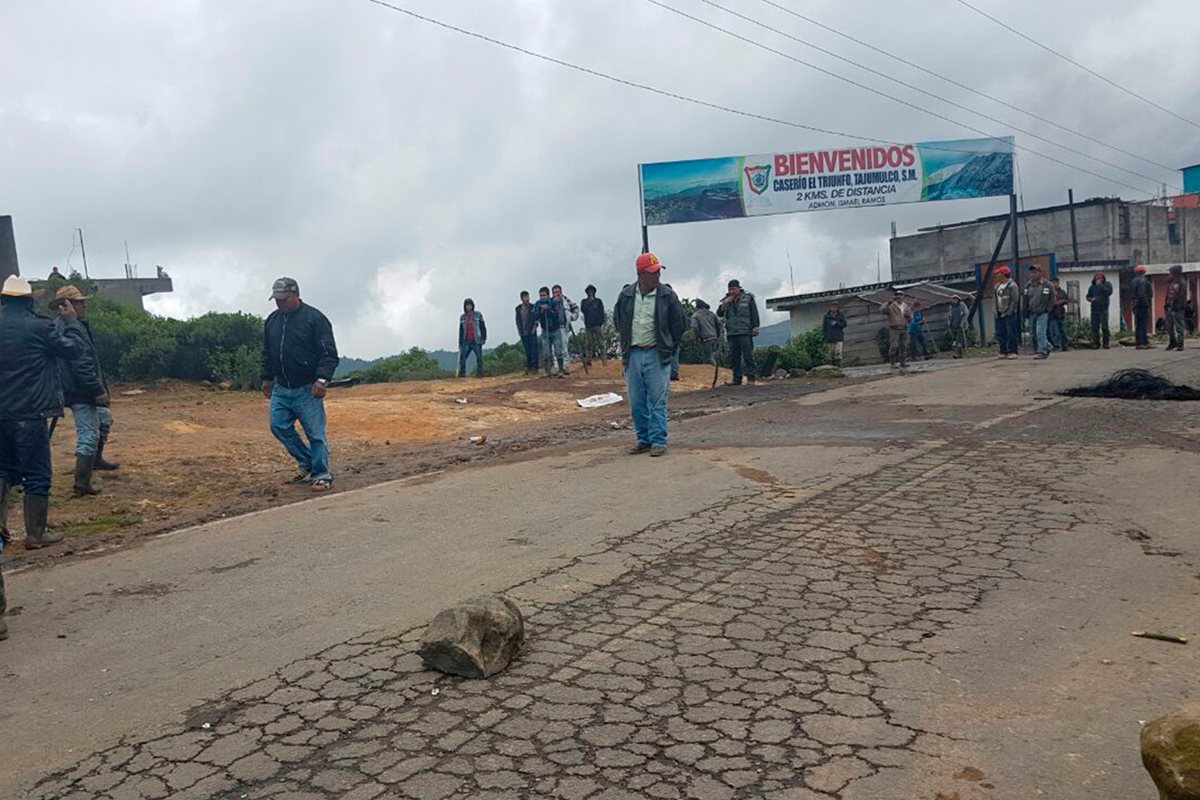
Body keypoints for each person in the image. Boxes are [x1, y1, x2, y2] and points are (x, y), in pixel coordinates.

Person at [0, 276, 92, 557]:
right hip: (31, 411)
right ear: (29, 301)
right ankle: (36, 533)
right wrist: (71, 322)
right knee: (36, 473)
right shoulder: (39, 327)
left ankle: (2, 529)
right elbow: (74, 350)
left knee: (3, 471)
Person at [260, 277, 340, 493]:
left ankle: (322, 474)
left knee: (315, 434)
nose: (279, 303)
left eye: (284, 299)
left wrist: (322, 380)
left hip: (307, 388)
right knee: (278, 426)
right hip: (282, 388)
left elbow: (329, 354)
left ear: (296, 295)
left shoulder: (315, 319)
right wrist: (266, 378)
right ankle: (307, 462)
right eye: (277, 299)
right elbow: (267, 352)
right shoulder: (272, 321)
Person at [612, 252, 684, 457]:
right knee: (636, 401)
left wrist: (669, 347)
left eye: (658, 272)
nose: (657, 276)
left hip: (656, 353)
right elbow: (618, 321)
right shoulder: (626, 296)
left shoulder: (668, 296)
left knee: (657, 399)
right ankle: (643, 439)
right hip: (633, 353)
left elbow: (678, 325)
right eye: (652, 273)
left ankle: (658, 440)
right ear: (640, 274)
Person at [50, 286, 117, 498]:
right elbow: (81, 363)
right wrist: (96, 389)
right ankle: (81, 484)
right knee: (88, 433)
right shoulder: (71, 327)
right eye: (79, 302)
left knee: (104, 418)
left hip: (74, 387)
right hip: (80, 389)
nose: (84, 305)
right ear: (68, 305)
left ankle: (95, 460)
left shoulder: (64, 325)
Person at [717, 279, 760, 386]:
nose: (731, 291)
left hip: (745, 331)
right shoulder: (726, 300)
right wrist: (725, 303)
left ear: (739, 288)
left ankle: (751, 378)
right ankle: (737, 379)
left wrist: (755, 327)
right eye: (730, 289)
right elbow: (719, 313)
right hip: (732, 332)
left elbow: (754, 313)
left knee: (748, 356)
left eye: (733, 289)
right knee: (734, 357)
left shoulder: (748, 298)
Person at [534, 286, 567, 377]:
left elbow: (557, 314)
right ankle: (548, 371)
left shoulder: (554, 302)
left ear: (548, 295)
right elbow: (535, 316)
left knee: (558, 351)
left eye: (544, 295)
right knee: (546, 352)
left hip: (555, 330)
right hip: (545, 331)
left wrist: (549, 309)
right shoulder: (537, 304)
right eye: (540, 295)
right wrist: (540, 311)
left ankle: (561, 370)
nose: (542, 297)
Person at [1025, 265, 1055, 360]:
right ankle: (1048, 346)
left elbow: (1052, 298)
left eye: (1035, 272)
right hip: (1032, 312)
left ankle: (1042, 351)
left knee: (1040, 332)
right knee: (1033, 333)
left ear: (1040, 273)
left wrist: (1048, 309)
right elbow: (1025, 299)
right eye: (1031, 272)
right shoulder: (1028, 285)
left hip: (1043, 313)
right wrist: (1024, 311)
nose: (1033, 274)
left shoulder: (1047, 285)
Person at [993, 266, 1021, 359]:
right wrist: (995, 310)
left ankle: (1012, 351)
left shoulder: (1012, 285)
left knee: (1011, 332)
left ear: (1003, 274)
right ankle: (1003, 351)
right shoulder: (997, 286)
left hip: (1009, 313)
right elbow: (994, 299)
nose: (997, 276)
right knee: (1001, 333)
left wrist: (1010, 311)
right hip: (999, 312)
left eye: (999, 274)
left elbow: (1014, 300)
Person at [690, 299, 723, 374]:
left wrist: (698, 337)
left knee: (708, 358)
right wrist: (718, 335)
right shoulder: (712, 314)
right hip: (714, 337)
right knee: (713, 356)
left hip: (705, 339)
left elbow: (694, 327)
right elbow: (719, 325)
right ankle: (715, 372)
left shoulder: (695, 315)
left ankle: (713, 373)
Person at [457, 299, 487, 377]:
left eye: (470, 305)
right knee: (463, 357)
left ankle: (480, 373)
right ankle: (462, 373)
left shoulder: (478, 315)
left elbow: (482, 327)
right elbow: (461, 330)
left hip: (476, 339)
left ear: (472, 306)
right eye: (467, 305)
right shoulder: (462, 317)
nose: (468, 307)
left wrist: (484, 338)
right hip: (466, 340)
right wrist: (460, 342)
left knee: (479, 357)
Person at [514, 291, 540, 375]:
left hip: (532, 331)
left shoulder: (533, 307)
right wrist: (519, 331)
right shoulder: (518, 309)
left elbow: (537, 318)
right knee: (527, 350)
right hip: (523, 332)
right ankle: (529, 367)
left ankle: (535, 368)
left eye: (527, 297)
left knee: (534, 350)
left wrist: (534, 328)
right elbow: (517, 320)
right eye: (525, 297)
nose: (527, 299)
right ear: (521, 298)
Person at [580, 285, 606, 367]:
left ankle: (604, 359)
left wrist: (601, 322)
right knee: (589, 344)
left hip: (597, 324)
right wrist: (590, 302)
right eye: (589, 291)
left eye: (591, 291)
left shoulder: (598, 301)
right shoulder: (584, 302)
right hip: (588, 325)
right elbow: (583, 310)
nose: (590, 292)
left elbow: (602, 312)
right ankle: (589, 360)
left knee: (601, 342)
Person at [1086, 273, 1113, 349]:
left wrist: (1101, 286)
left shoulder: (1107, 285)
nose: (1098, 280)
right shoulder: (1092, 287)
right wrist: (1091, 299)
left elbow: (1109, 292)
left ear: (1103, 279)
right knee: (1095, 328)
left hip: (1103, 309)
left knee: (1104, 327)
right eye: (1097, 279)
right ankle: (1096, 343)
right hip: (1094, 309)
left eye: (1100, 279)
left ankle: (1106, 343)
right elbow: (1088, 296)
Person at [885, 290, 911, 369]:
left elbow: (909, 316)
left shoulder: (906, 306)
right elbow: (882, 310)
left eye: (900, 295)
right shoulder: (891, 306)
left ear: (903, 296)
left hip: (904, 328)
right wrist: (889, 302)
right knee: (894, 346)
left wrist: (909, 316)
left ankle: (903, 362)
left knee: (904, 345)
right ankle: (893, 363)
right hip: (894, 329)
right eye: (897, 295)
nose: (899, 296)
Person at [1165, 264, 1187, 351]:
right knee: (1169, 326)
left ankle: (1180, 344)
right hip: (1169, 306)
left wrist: (1178, 306)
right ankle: (1172, 342)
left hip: (1177, 308)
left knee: (1179, 326)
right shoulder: (1171, 282)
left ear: (1175, 273)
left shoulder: (1181, 282)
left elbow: (1181, 296)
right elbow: (1168, 294)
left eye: (1170, 273)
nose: (1169, 274)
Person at [1131, 264, 1153, 349]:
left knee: (1139, 324)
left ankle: (1143, 341)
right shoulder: (1143, 281)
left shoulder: (1133, 281)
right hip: (1142, 305)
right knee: (1143, 324)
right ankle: (1141, 342)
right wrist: (1146, 303)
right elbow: (1142, 294)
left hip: (1136, 304)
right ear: (1143, 272)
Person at [1050, 277, 1071, 352]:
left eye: (1056, 283)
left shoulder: (1062, 292)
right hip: (1052, 314)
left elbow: (1067, 300)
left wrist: (1061, 302)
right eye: (1053, 283)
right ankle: (1056, 346)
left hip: (1061, 314)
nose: (1055, 285)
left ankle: (1065, 346)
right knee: (1054, 332)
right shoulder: (1049, 293)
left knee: (1063, 331)